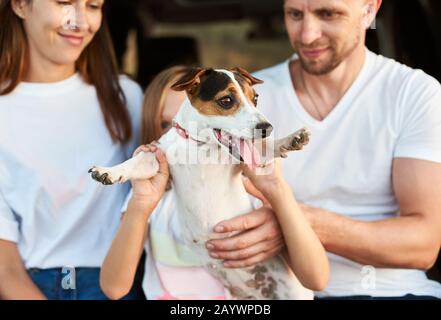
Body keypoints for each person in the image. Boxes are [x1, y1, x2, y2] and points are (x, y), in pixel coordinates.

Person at [237, 0, 441, 299]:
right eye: (295, 15)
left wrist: (293, 221)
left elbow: (423, 245)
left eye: (327, 14)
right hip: (278, 293)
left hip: (392, 293)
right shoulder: (250, 99)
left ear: (368, 11)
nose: (306, 35)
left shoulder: (413, 93)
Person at [99, 66, 330, 300]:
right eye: (167, 125)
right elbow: (114, 288)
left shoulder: (243, 184)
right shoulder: (150, 201)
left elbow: (317, 279)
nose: (185, 135)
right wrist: (141, 203)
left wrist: (277, 190)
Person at [0, 0, 144, 299]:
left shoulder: (126, 99)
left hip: (119, 285)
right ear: (20, 5)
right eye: (64, 2)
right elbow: (5, 267)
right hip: (32, 287)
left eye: (93, 6)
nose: (81, 21)